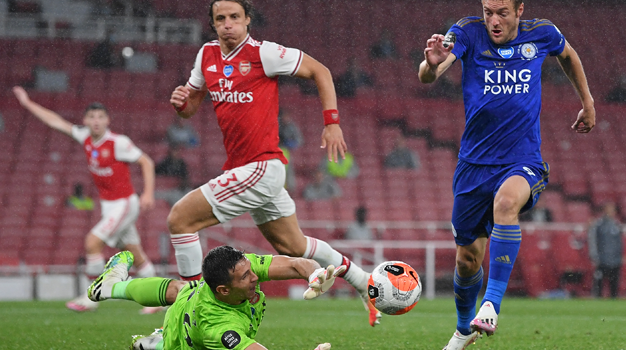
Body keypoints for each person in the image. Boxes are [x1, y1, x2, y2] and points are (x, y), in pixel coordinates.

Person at [168, 0, 380, 327]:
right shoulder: (206, 55)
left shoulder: (263, 54)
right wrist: (182, 104)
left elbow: (319, 71)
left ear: (247, 20)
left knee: (180, 219)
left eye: (234, 17)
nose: (228, 24)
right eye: (220, 18)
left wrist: (332, 122)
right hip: (248, 170)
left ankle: (190, 314)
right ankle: (364, 281)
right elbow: (191, 105)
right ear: (212, 24)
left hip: (261, 167)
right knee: (293, 245)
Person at [418, 0, 596, 348]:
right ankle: (463, 329)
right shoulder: (467, 32)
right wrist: (430, 63)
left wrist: (587, 102)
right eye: (488, 12)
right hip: (474, 166)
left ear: (519, 11)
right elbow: (430, 74)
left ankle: (491, 304)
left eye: (502, 13)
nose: (493, 21)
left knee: (506, 203)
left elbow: (568, 55)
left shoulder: (542, 33)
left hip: (522, 159)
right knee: (467, 261)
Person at [12, 86, 163, 314]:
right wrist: (27, 103)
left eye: (100, 117)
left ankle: (92, 297)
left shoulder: (117, 142)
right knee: (136, 253)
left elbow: (147, 162)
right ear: (85, 120)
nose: (96, 121)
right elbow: (55, 121)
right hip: (109, 205)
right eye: (91, 117)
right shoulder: (84, 136)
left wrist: (148, 193)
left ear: (107, 121)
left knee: (92, 242)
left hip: (124, 203)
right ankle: (158, 300)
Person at [88, 246, 338, 350]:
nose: (254, 278)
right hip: (188, 336)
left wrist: (315, 273)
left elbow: (296, 263)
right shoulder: (218, 326)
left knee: (178, 289)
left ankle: (111, 287)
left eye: (251, 270)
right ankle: (158, 344)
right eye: (245, 277)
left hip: (190, 298)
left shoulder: (240, 268)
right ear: (224, 290)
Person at [588, 202, 623, 299]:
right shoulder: (598, 224)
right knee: (599, 284)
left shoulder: (617, 225)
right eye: (609, 209)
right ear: (604, 211)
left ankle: (613, 302)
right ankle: (597, 301)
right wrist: (594, 256)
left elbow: (619, 242)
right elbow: (593, 240)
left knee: (614, 286)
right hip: (602, 259)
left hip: (615, 260)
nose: (611, 212)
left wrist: (620, 256)